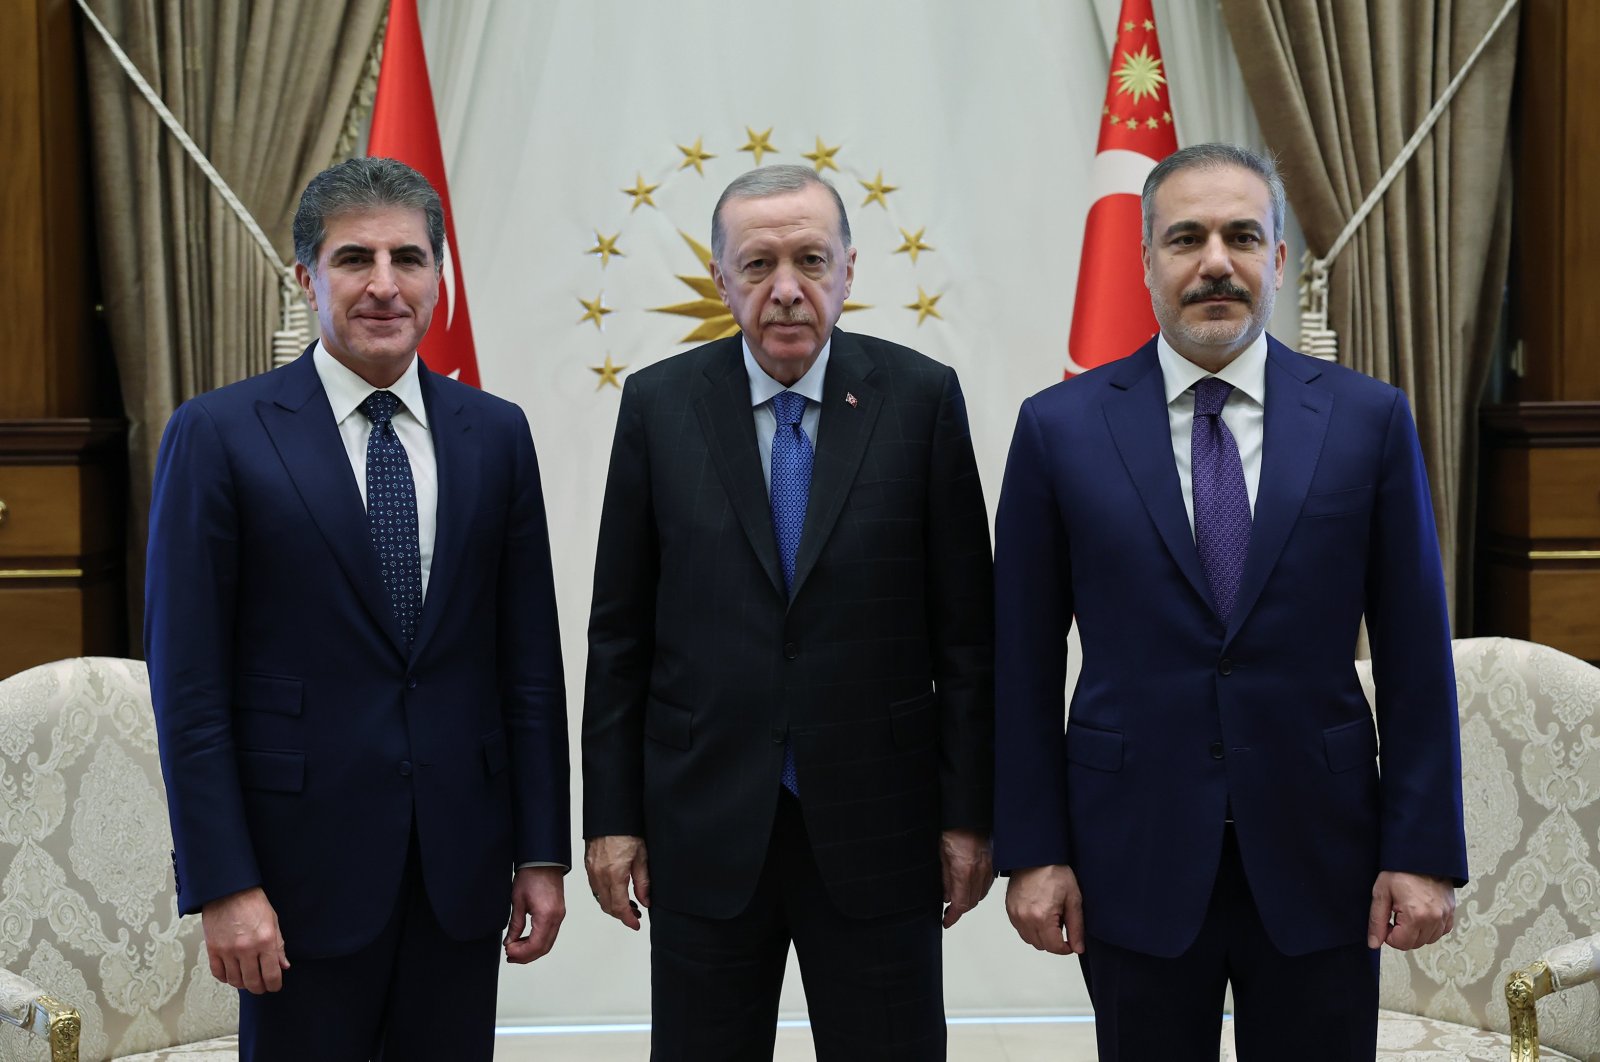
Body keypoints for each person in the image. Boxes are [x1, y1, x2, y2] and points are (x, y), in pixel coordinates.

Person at [992, 143, 1467, 1060]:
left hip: (1323, 852)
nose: (1216, 261)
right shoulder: (1059, 430)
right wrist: (1034, 850)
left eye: (1242, 236)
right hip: (1128, 849)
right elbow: (1021, 659)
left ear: (1279, 260)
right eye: (1187, 238)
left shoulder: (1369, 421)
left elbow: (1416, 655)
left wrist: (1423, 849)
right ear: (1146, 264)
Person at [144, 156, 569, 1061]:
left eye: (408, 259)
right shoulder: (218, 435)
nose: (384, 285)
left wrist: (542, 850)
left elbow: (528, 665)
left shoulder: (496, 435)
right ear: (306, 278)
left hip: (459, 876)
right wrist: (225, 883)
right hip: (294, 885)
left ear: (439, 280)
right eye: (354, 259)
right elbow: (189, 689)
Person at [581, 163, 995, 1060]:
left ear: (850, 271)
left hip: (881, 826)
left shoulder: (922, 401)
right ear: (722, 279)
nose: (786, 289)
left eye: (811, 259)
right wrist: (610, 818)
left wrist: (968, 816)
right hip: (705, 825)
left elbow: (967, 639)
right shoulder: (659, 405)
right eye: (758, 264)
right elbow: (619, 633)